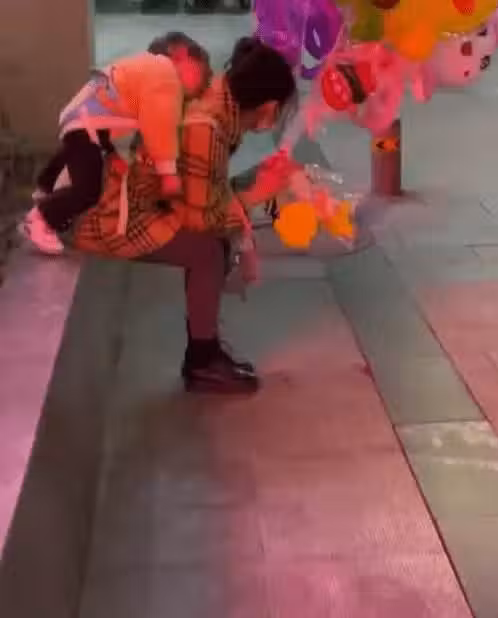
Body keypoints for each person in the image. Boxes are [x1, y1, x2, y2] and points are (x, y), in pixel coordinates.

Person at [70, 36, 299, 394]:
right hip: (112, 215)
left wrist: (254, 186)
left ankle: (205, 349)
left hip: (134, 196)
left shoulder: (218, 97)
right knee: (208, 251)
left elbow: (205, 186)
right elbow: (202, 219)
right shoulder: (205, 127)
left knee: (218, 238)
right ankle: (202, 361)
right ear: (269, 108)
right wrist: (256, 194)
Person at [21, 32, 212, 255]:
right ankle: (40, 218)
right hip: (88, 124)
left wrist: (115, 155)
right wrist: (168, 173)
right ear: (180, 54)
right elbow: (160, 124)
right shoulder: (165, 74)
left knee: (74, 158)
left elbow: (130, 121)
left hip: (85, 120)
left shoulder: (144, 71)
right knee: (88, 190)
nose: (204, 85)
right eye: (202, 72)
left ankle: (45, 190)